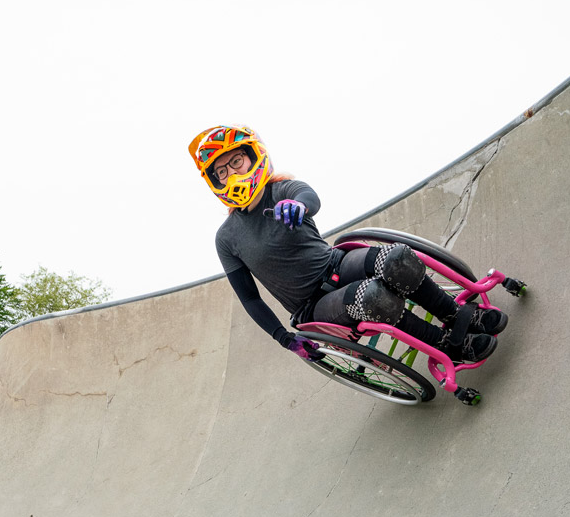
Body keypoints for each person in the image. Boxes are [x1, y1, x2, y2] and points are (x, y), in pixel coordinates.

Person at [187, 125, 505, 365]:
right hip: (312, 307)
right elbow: (250, 299)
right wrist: (287, 340)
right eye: (221, 170)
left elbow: (309, 197)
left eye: (237, 161)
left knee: (396, 259)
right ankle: (448, 344)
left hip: (336, 265)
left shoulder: (280, 189)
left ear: (253, 157)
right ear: (215, 182)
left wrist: (299, 206)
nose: (231, 173)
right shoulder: (226, 238)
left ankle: (458, 315)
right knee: (373, 296)